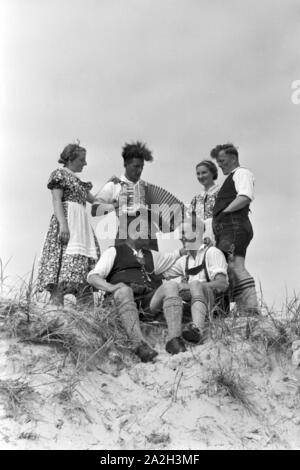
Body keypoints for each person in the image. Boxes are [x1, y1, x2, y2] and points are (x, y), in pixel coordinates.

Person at [87, 236, 188, 362]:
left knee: (171, 285)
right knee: (125, 290)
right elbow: (92, 277)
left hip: (145, 302)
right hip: (120, 300)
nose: (148, 233)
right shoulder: (114, 251)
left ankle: (174, 340)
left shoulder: (150, 255)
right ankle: (138, 344)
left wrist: (191, 248)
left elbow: (173, 256)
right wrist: (111, 287)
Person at [36, 143, 100, 306]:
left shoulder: (79, 182)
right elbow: (57, 200)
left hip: (81, 229)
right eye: (82, 160)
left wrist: (115, 194)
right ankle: (57, 318)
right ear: (71, 159)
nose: (85, 163)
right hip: (68, 223)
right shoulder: (60, 175)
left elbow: (98, 202)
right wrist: (63, 225)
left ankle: (86, 323)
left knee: (83, 279)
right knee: (60, 278)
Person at [92, 141, 183, 251]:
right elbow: (95, 210)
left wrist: (168, 221)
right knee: (125, 266)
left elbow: (165, 228)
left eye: (142, 167)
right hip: (125, 235)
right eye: (136, 166)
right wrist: (117, 204)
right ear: (125, 164)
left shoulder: (146, 188)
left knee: (150, 267)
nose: (139, 170)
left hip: (149, 238)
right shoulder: (114, 185)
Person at [210, 143, 259, 315]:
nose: (220, 165)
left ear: (233, 158)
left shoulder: (241, 173)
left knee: (235, 264)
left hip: (235, 226)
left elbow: (245, 196)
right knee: (229, 267)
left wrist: (225, 211)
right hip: (229, 229)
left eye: (222, 161)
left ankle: (251, 309)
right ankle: (244, 309)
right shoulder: (231, 177)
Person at [163, 219, 228, 344]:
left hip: (214, 307)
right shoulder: (184, 260)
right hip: (194, 304)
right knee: (170, 288)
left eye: (183, 232)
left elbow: (222, 284)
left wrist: (188, 286)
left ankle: (197, 330)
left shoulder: (212, 252)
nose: (180, 238)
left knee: (195, 284)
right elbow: (161, 272)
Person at [189, 160, 219, 244]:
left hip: (218, 239)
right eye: (198, 174)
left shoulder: (222, 193)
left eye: (204, 172)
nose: (201, 176)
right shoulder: (196, 199)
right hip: (199, 241)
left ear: (213, 173)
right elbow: (191, 223)